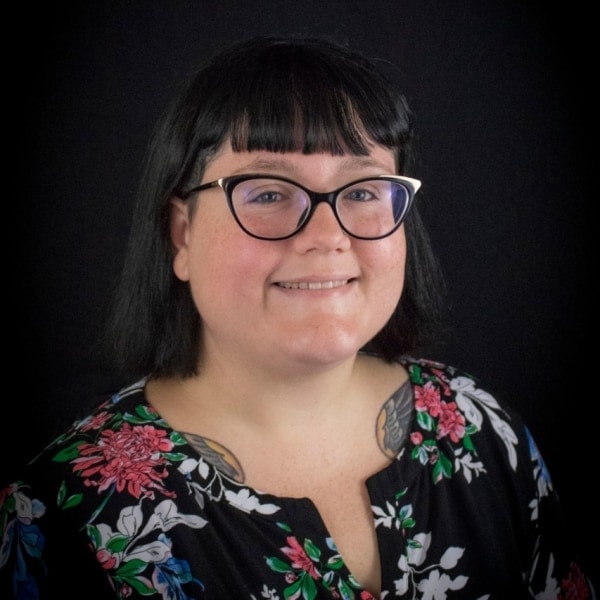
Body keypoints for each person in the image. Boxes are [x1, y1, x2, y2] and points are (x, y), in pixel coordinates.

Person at [0, 35, 594, 600]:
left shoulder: (484, 429)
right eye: (267, 193)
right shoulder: (62, 513)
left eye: (362, 191)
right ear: (182, 235)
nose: (327, 235)